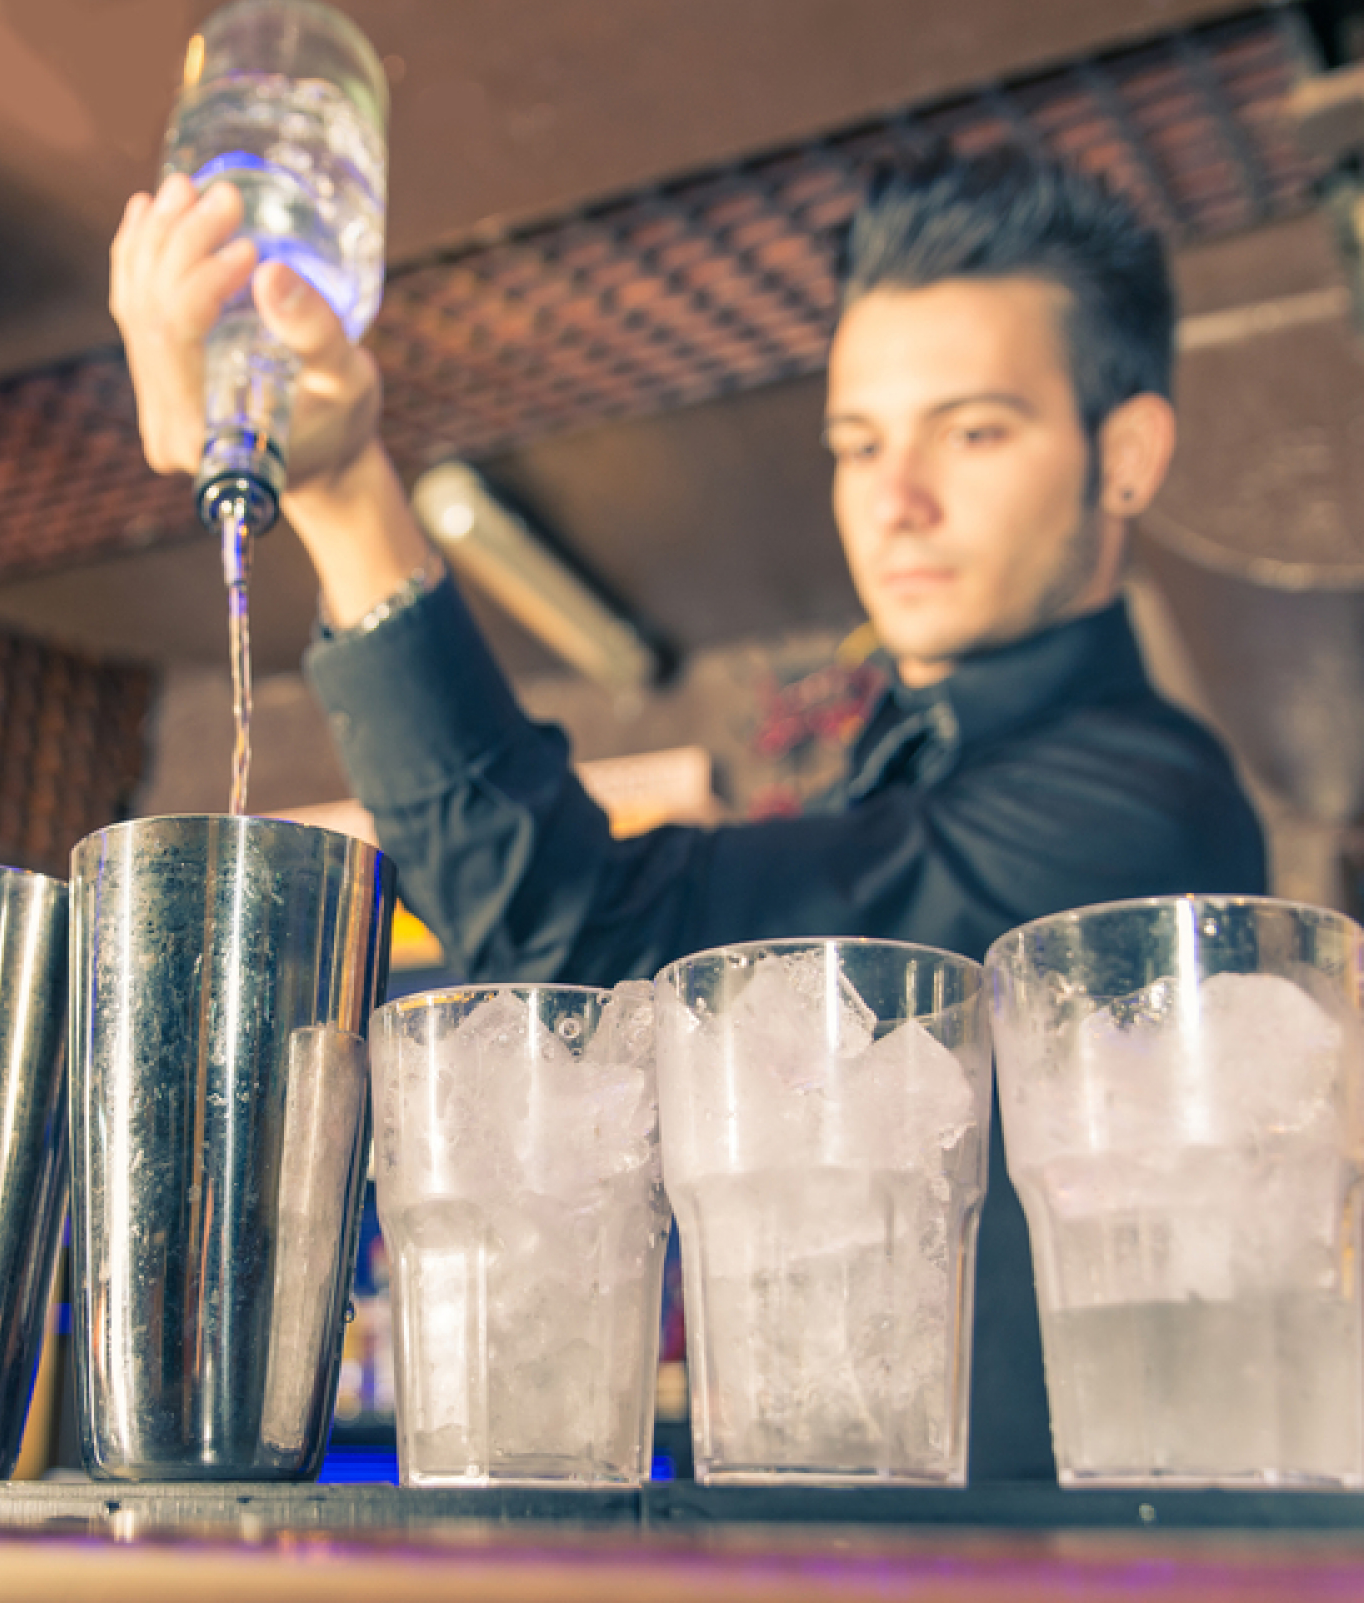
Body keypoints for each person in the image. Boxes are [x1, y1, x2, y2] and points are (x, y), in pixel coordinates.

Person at [110, 149, 1267, 1479]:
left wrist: (343, 492)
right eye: (859, 444)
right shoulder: (907, 778)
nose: (896, 501)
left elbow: (577, 950)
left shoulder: (1137, 803)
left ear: (1125, 455)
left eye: (976, 430)